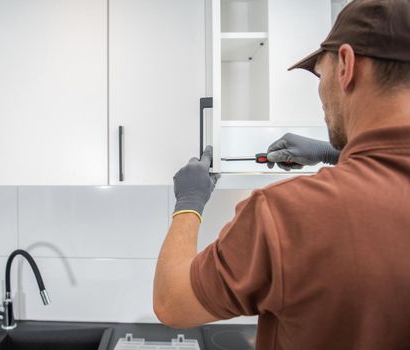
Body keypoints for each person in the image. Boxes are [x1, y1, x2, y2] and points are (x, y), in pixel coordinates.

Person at [153, 0, 410, 349]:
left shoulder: (288, 214)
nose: (320, 91)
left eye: (320, 73)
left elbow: (172, 301)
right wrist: (335, 154)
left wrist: (188, 201)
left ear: (347, 65)